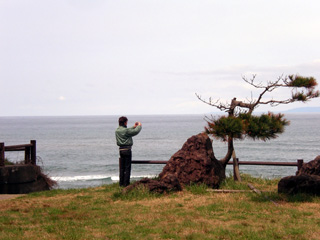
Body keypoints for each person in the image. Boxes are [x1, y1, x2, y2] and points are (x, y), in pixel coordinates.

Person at [115, 116, 142, 187]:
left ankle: (121, 183)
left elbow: (126, 130)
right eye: (126, 122)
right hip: (127, 150)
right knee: (127, 167)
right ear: (125, 122)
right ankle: (126, 184)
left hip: (121, 150)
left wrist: (133, 126)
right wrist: (139, 126)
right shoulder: (126, 131)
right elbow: (135, 132)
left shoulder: (117, 130)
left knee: (122, 168)